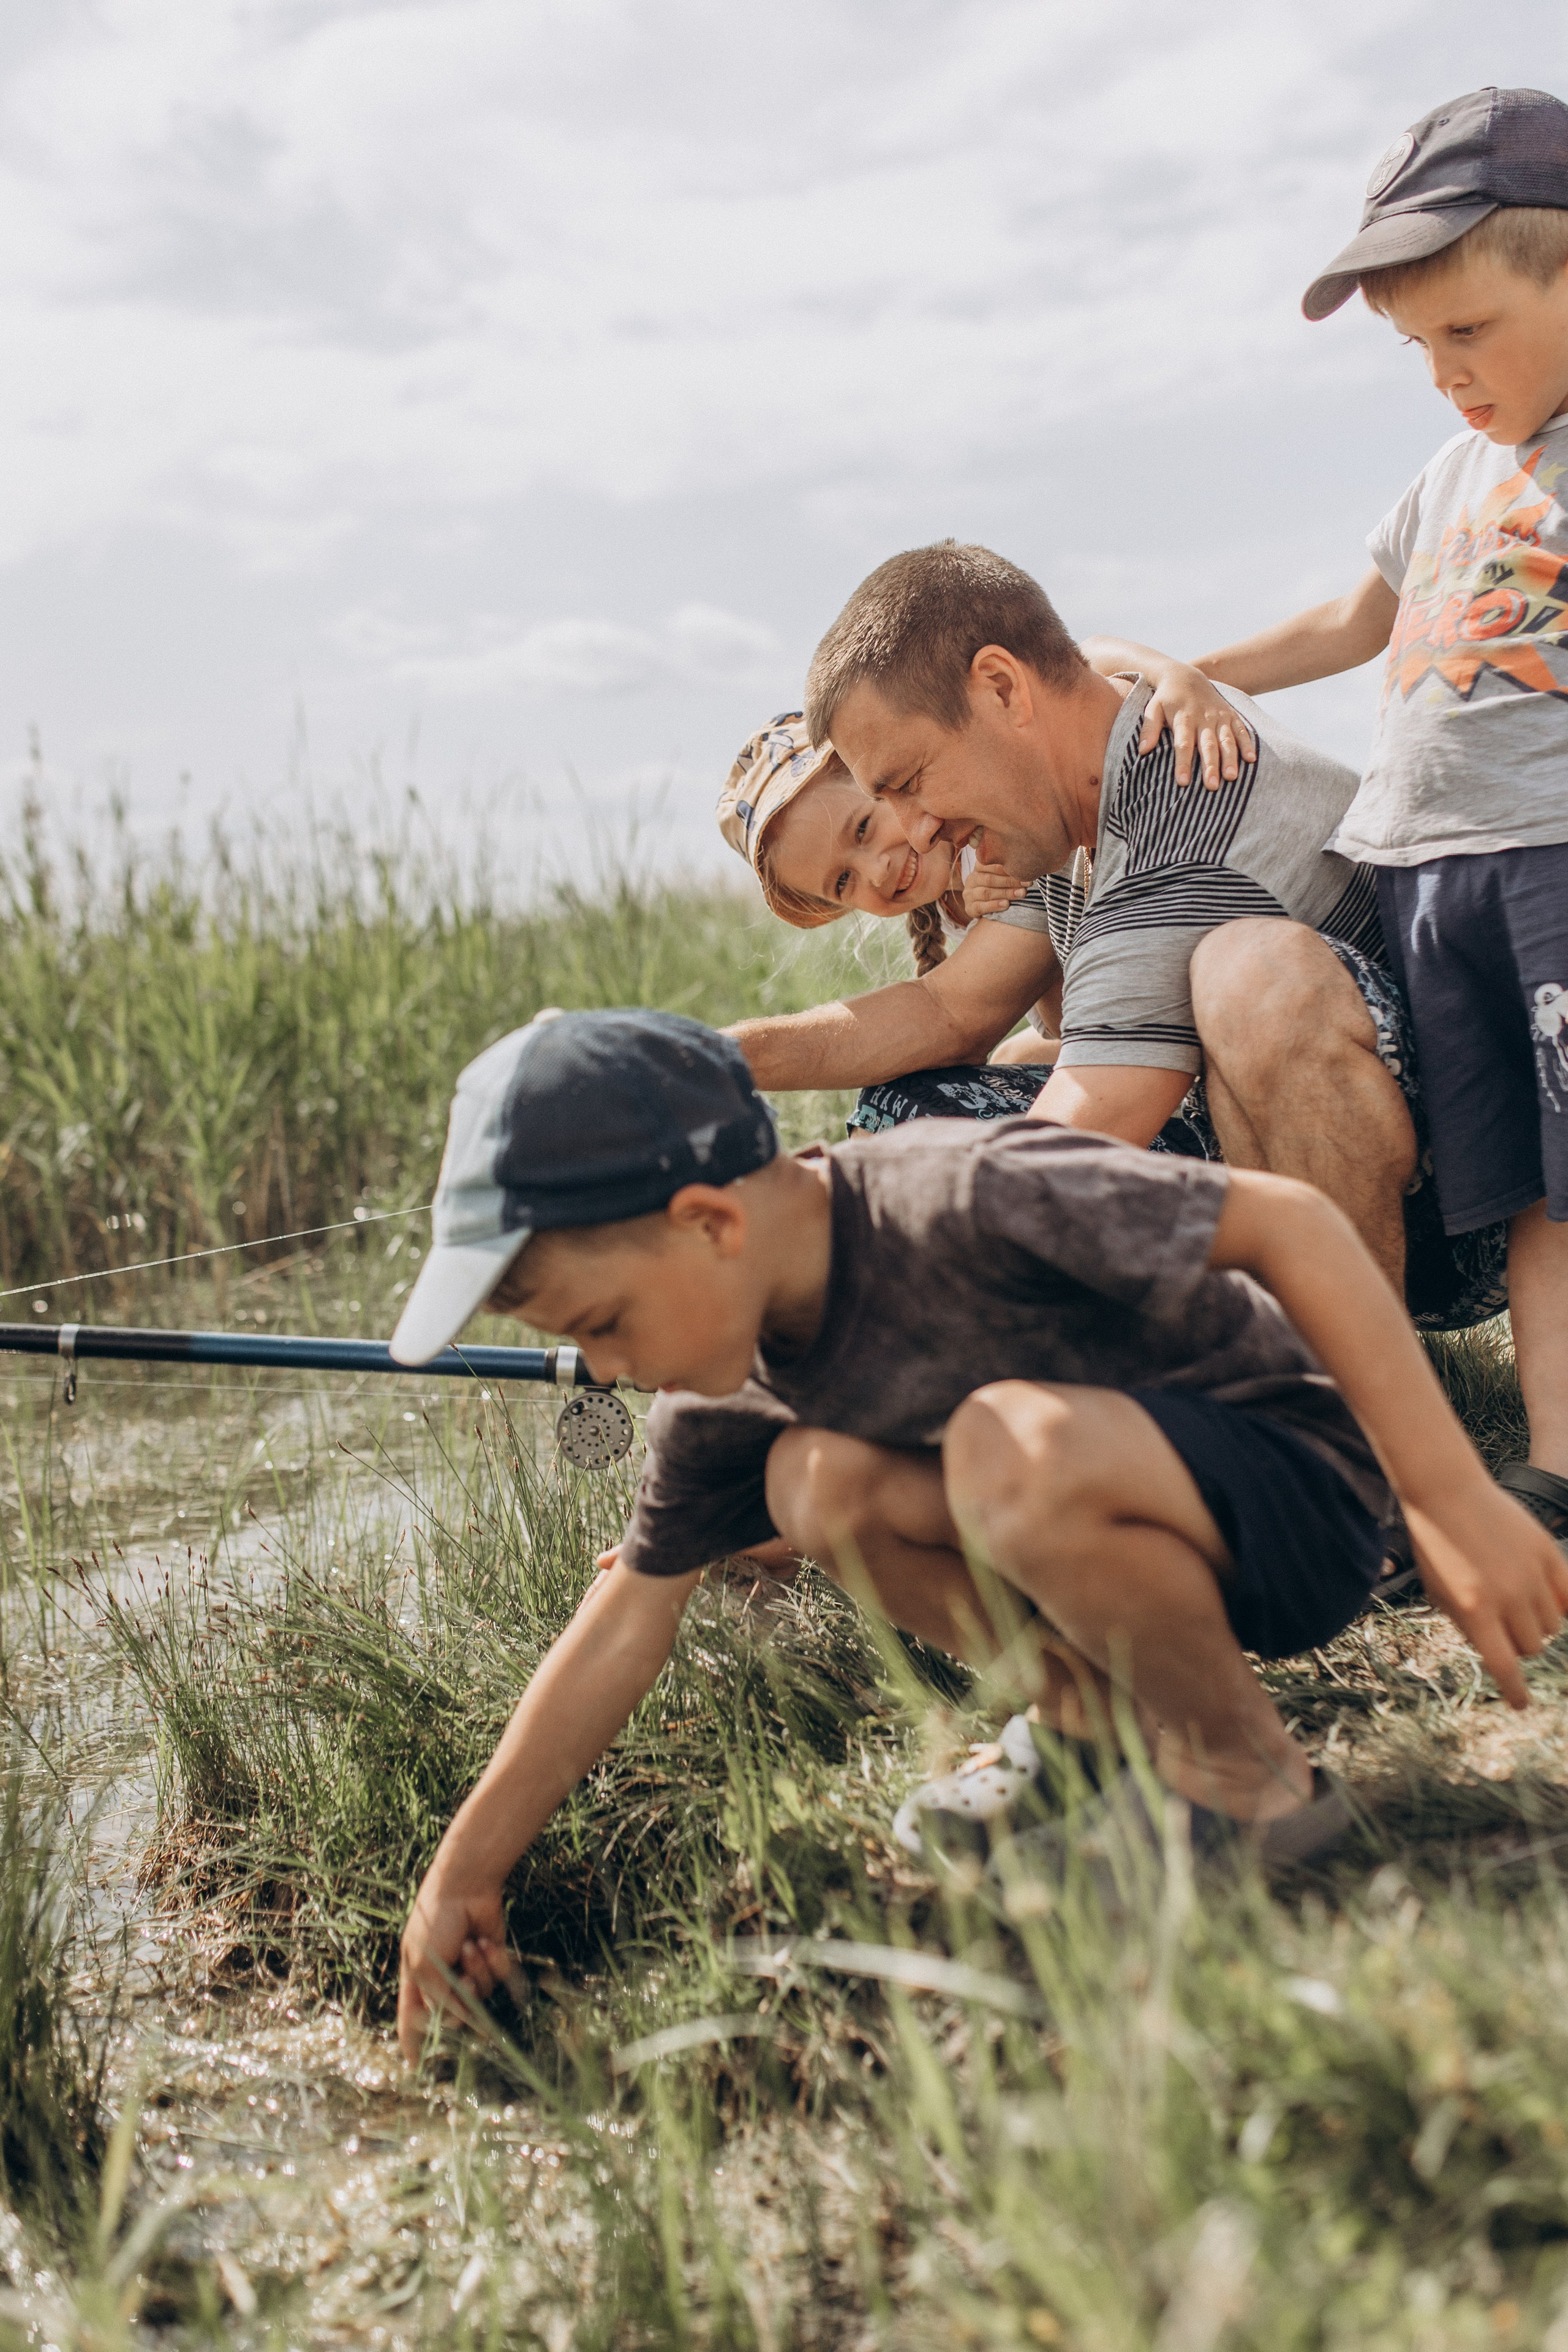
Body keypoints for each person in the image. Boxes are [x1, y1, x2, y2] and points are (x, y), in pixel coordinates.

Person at [391, 1008, 1567, 2059]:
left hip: (1293, 1504)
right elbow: (623, 1623)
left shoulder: (960, 1190)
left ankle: (1245, 1777)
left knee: (1010, 1449)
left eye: (602, 1322)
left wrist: (1451, 1498)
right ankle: (1093, 1731)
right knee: (816, 1484)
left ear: (709, 1223)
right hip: (1107, 1531)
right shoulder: (722, 1393)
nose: (601, 1368)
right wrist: (462, 1870)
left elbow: (1293, 1225)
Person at [1097, 88, 1568, 1540]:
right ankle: (1542, 1464)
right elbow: (1348, 622)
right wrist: (1194, 670)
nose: (1442, 374)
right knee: (1524, 1187)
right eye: (1415, 347)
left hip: (1550, 856)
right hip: (1425, 880)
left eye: (1467, 330)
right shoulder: (1448, 475)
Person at [727, 540, 1504, 1330]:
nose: (918, 828)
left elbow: (1069, 1140)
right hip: (1265, 1151)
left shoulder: (1185, 796)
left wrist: (814, 1248)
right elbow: (949, 1012)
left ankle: (1337, 1369)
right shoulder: (1052, 805)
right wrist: (716, 1058)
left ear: (1003, 690)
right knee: (911, 1114)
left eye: (909, 782)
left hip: (1444, 1213)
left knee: (1252, 975)